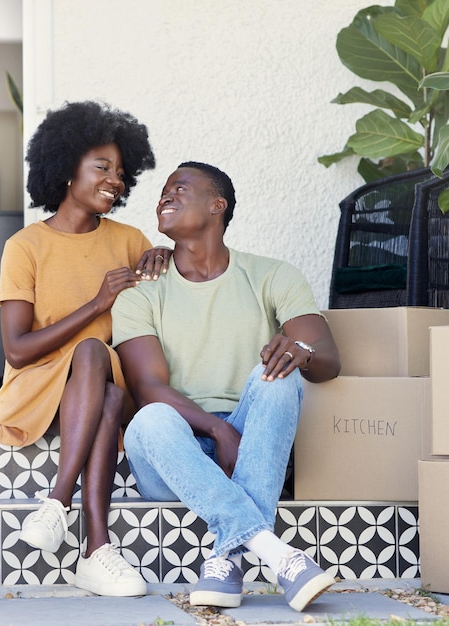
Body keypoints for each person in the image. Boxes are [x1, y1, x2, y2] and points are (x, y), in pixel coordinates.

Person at [111, 161, 341, 611]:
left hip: (252, 448)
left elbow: (328, 358)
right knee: (150, 419)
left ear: (218, 205)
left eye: (178, 188)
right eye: (162, 193)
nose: (164, 198)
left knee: (276, 375)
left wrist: (303, 352)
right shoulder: (140, 293)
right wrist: (218, 430)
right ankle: (277, 555)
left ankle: (226, 558)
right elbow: (149, 387)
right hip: (174, 454)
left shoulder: (272, 274)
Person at [0, 101, 171, 597]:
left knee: (96, 362)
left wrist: (171, 257)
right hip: (40, 383)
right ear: (66, 169)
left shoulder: (130, 240)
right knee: (92, 360)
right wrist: (96, 303)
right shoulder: (25, 246)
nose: (116, 180)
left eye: (122, 173)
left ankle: (56, 504)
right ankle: (96, 549)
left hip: (111, 378)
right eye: (102, 167)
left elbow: (167, 308)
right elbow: (18, 350)